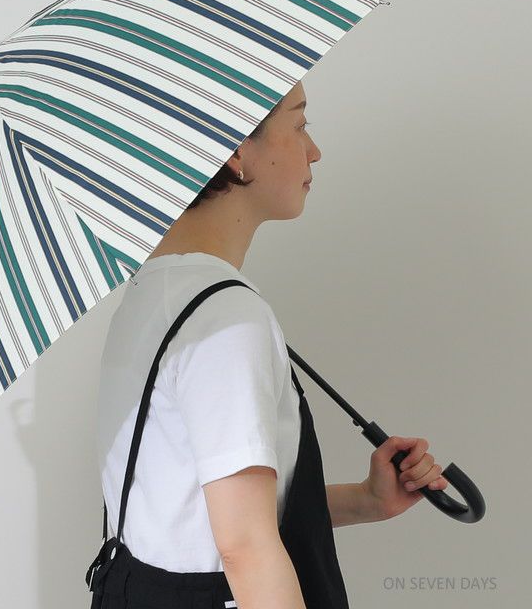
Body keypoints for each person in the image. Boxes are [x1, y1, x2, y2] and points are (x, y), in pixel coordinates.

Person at [89, 80, 449, 608]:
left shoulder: (150, 294)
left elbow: (197, 519)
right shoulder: (227, 318)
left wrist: (367, 500)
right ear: (237, 152)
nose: (314, 151)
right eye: (300, 124)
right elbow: (245, 549)